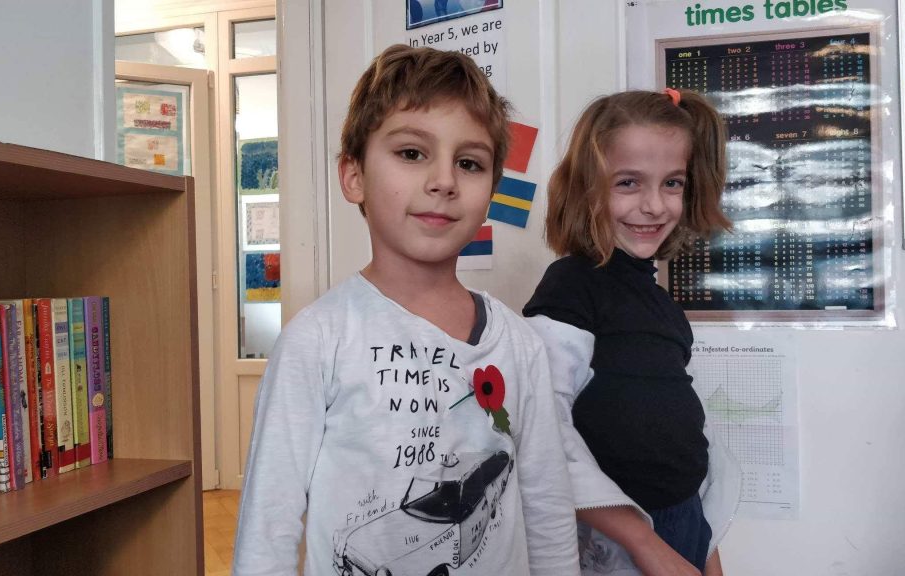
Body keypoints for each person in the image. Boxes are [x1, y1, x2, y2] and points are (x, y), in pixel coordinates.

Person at [232, 44, 580, 576]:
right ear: (353, 176)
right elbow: (268, 526)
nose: (444, 181)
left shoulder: (520, 346)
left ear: (490, 192)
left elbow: (548, 511)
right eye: (412, 153)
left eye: (469, 163)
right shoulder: (318, 340)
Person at [523, 89, 742, 576]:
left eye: (672, 183)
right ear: (586, 189)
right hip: (617, 537)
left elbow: (685, 440)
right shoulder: (571, 286)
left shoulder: (663, 305)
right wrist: (643, 542)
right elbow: (542, 428)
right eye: (628, 183)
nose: (654, 205)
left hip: (684, 525)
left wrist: (707, 551)